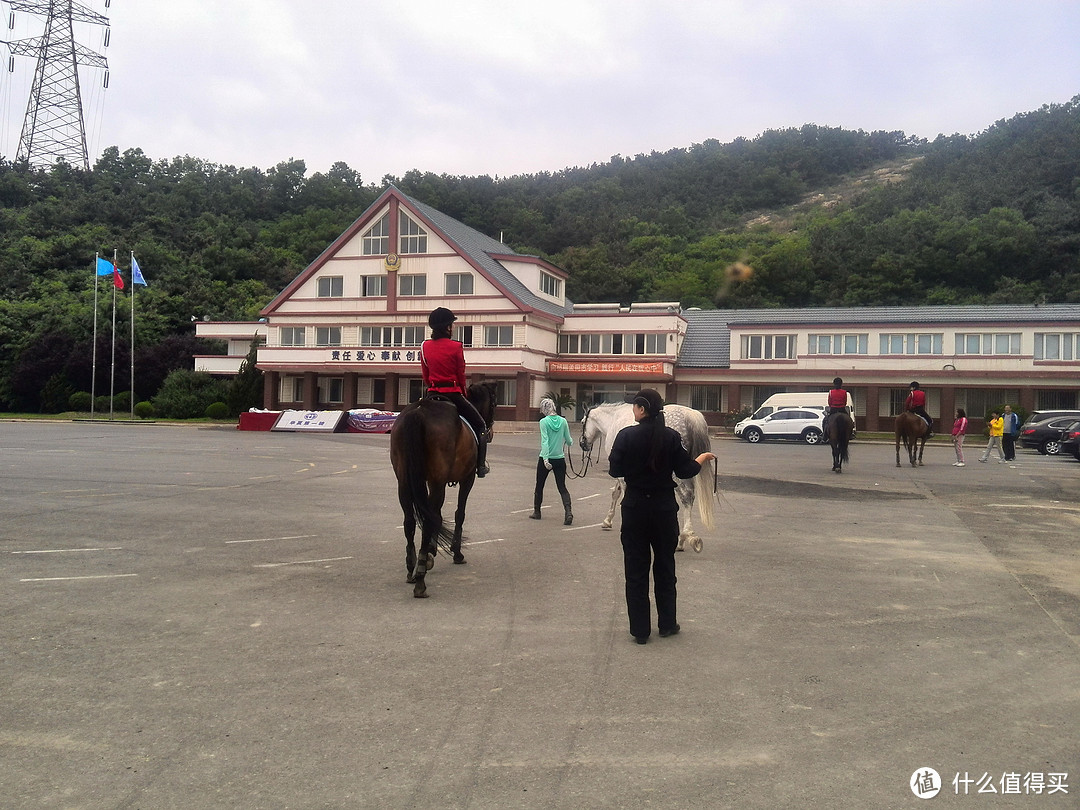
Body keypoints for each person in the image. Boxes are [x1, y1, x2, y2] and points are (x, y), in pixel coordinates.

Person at [607, 388, 716, 645]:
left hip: (634, 510)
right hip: (664, 511)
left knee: (636, 570)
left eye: (635, 406)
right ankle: (667, 624)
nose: (632, 411)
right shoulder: (670, 437)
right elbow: (685, 470)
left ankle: (640, 631)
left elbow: (614, 469)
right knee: (665, 568)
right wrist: (701, 457)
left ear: (642, 409)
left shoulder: (626, 436)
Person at [420, 307, 490, 477]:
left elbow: (426, 375)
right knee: (481, 426)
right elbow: (461, 375)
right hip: (452, 393)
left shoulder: (424, 346)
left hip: (432, 393)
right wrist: (463, 394)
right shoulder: (456, 346)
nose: (453, 328)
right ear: (447, 327)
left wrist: (433, 386)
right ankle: (480, 466)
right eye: (451, 324)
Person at [530, 398, 575, 524]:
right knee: (562, 486)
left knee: (540, 485)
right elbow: (569, 440)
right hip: (560, 458)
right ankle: (568, 512)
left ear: (544, 409)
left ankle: (537, 512)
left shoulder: (543, 422)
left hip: (546, 458)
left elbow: (545, 441)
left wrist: (545, 458)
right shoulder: (563, 421)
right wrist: (569, 442)